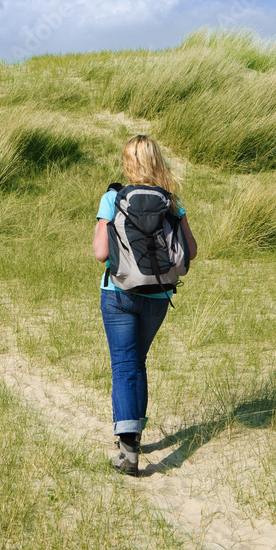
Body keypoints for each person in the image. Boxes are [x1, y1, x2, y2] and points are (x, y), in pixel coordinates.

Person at [92, 134, 197, 476]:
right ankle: (135, 436)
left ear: (128, 162)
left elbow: (101, 253)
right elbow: (190, 252)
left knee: (124, 366)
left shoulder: (113, 197)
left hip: (120, 293)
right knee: (138, 362)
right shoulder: (171, 201)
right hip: (157, 296)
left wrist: (104, 223)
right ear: (157, 162)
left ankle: (128, 451)